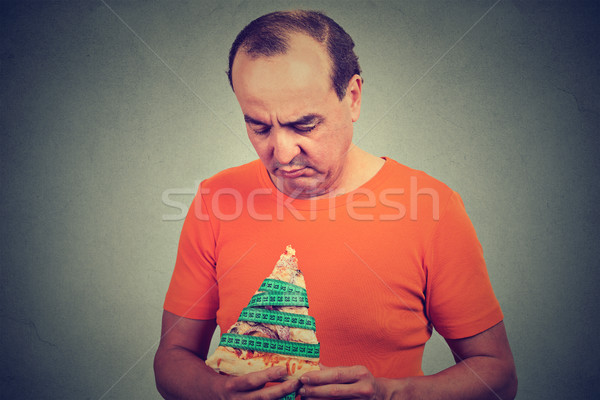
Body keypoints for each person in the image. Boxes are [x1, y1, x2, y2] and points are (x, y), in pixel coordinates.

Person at [154, 10, 517, 400]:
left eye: (304, 125)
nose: (282, 152)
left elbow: (498, 376)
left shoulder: (431, 207)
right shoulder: (216, 199)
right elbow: (173, 357)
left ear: (353, 97)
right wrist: (217, 392)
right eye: (259, 126)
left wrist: (389, 394)